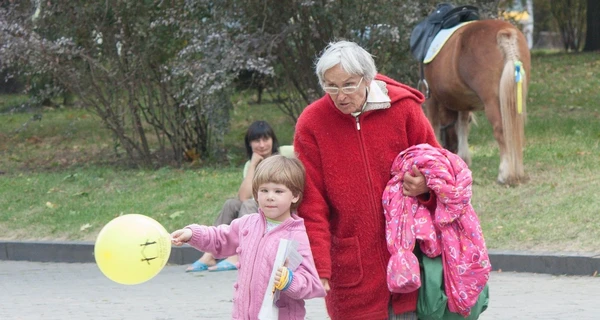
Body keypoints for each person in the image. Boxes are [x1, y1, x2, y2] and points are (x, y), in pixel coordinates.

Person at [293, 40, 441, 320]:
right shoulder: (311, 123)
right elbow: (311, 205)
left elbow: (441, 169)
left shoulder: (404, 110)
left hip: (411, 264)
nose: (340, 95)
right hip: (352, 275)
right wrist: (320, 269)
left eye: (348, 85)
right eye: (330, 86)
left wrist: (425, 189)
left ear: (367, 78)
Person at [171, 155, 326, 319]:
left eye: (278, 191)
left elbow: (312, 283)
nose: (270, 196)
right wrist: (192, 234)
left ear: (294, 195)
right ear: (256, 194)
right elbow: (219, 238)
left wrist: (290, 280)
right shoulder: (247, 224)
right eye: (264, 190)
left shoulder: (297, 236)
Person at [186, 120, 292, 272]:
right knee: (231, 204)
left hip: (283, 202)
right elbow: (243, 196)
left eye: (265, 139)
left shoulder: (286, 153)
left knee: (248, 205)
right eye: (256, 140)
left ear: (272, 140)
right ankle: (209, 254)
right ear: (249, 144)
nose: (262, 145)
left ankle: (237, 255)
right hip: (262, 203)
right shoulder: (251, 164)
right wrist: (254, 165)